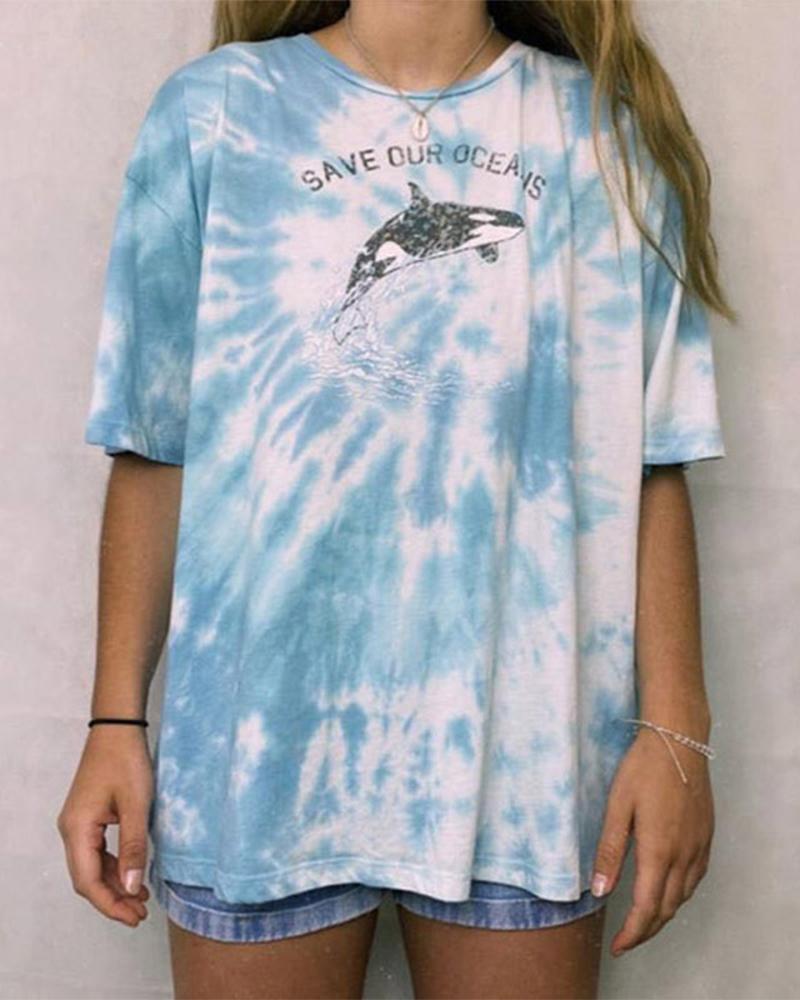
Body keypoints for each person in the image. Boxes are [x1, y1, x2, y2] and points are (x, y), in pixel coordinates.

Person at [58, 0, 733, 996]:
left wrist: (676, 729)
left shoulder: (601, 133)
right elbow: (155, 444)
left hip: (525, 757)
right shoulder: (215, 112)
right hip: (257, 747)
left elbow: (648, 460)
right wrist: (114, 722)